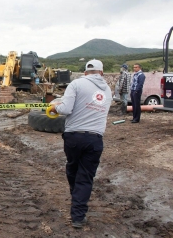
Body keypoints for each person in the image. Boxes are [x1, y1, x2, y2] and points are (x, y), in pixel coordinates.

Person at [49, 59, 112, 228]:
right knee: (85, 177)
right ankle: (78, 213)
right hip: (95, 139)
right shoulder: (108, 91)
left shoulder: (76, 84)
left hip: (74, 137)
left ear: (85, 72)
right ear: (102, 73)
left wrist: (55, 108)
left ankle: (76, 204)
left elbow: (66, 109)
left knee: (72, 168)